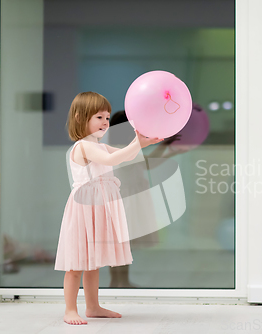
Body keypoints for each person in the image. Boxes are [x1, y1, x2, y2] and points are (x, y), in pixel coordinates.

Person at [54, 92, 163, 325]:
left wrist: (141, 143)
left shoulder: (100, 146)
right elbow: (116, 160)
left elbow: (127, 156)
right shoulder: (83, 147)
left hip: (99, 207)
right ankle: (70, 309)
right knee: (76, 264)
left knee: (93, 263)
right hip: (85, 208)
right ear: (79, 117)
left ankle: (93, 307)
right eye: (99, 117)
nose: (105, 122)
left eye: (106, 117)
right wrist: (137, 142)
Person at [107, 111, 185, 288]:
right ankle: (117, 282)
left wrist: (166, 148)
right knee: (121, 243)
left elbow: (146, 164)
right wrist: (166, 147)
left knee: (124, 244)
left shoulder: (124, 146)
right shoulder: (119, 148)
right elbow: (147, 164)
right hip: (125, 198)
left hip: (129, 197)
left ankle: (121, 281)